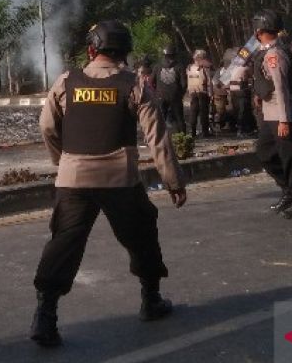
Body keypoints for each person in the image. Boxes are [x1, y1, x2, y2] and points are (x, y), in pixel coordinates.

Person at [31, 21, 187, 348]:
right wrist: (172, 180)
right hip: (119, 178)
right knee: (142, 233)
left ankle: (45, 315)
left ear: (91, 50)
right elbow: (157, 140)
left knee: (64, 242)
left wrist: (64, 163)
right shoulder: (135, 85)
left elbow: (47, 127)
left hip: (73, 178)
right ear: (124, 53)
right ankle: (151, 299)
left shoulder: (66, 81)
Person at [251, 9, 292, 220]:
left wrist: (284, 119)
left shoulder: (274, 54)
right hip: (272, 113)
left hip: (284, 113)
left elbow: (281, 89)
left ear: (259, 31)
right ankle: (289, 191)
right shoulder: (268, 51)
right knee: (265, 153)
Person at [151, 48, 186, 134]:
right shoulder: (179, 66)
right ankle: (183, 139)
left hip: (161, 96)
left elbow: (151, 82)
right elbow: (184, 84)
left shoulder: (157, 66)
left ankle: (159, 139)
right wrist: (180, 94)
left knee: (160, 119)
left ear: (165, 55)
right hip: (175, 96)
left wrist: (156, 92)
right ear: (174, 55)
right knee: (179, 118)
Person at [185, 49, 214, 138]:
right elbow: (209, 81)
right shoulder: (204, 69)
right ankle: (205, 133)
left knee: (193, 112)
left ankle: (193, 132)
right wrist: (211, 93)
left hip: (193, 92)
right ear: (201, 58)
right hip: (203, 92)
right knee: (203, 113)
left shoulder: (189, 68)